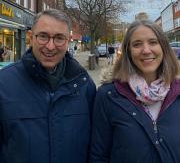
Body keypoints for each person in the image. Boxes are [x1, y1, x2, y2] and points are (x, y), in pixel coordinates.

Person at [0, 9, 96, 163]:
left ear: (68, 41)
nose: (50, 46)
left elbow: (95, 149)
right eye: (43, 36)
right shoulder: (3, 84)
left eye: (59, 38)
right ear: (31, 37)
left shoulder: (84, 86)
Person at [89, 20, 180, 163]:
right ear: (128, 52)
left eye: (153, 42)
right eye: (137, 44)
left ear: (164, 48)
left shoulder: (178, 91)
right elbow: (98, 155)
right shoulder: (108, 95)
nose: (146, 50)